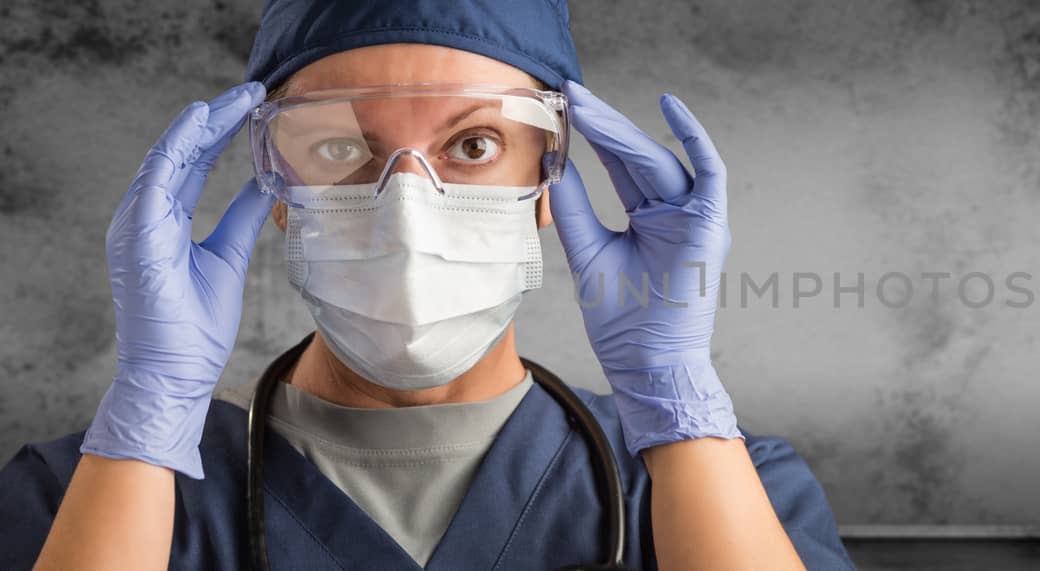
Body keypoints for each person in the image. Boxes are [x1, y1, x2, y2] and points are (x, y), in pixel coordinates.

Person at [0, 1, 854, 569]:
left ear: (551, 177)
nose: (407, 207)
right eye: (340, 147)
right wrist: (148, 408)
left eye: (474, 144)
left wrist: (678, 401)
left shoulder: (731, 486)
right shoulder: (81, 491)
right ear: (280, 192)